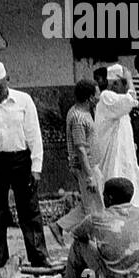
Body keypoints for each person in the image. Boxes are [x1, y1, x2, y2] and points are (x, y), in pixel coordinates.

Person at [0, 61, 50, 269]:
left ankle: (39, 257)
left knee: (29, 211)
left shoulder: (24, 100)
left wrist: (36, 168)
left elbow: (34, 135)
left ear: (7, 80)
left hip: (21, 160)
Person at [54, 177, 139, 278]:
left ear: (109, 198)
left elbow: (77, 235)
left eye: (104, 196)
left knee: (78, 245)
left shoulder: (96, 218)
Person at [51, 79, 104, 245]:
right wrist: (90, 176)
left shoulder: (83, 112)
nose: (100, 97)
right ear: (90, 98)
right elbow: (80, 149)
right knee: (95, 208)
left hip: (91, 165)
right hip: (86, 168)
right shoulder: (79, 118)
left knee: (90, 204)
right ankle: (91, 242)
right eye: (97, 94)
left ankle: (59, 226)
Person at [93, 65, 139, 208]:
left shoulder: (116, 100)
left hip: (124, 154)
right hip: (113, 156)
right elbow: (132, 100)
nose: (126, 88)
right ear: (115, 84)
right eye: (123, 84)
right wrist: (129, 80)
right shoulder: (107, 97)